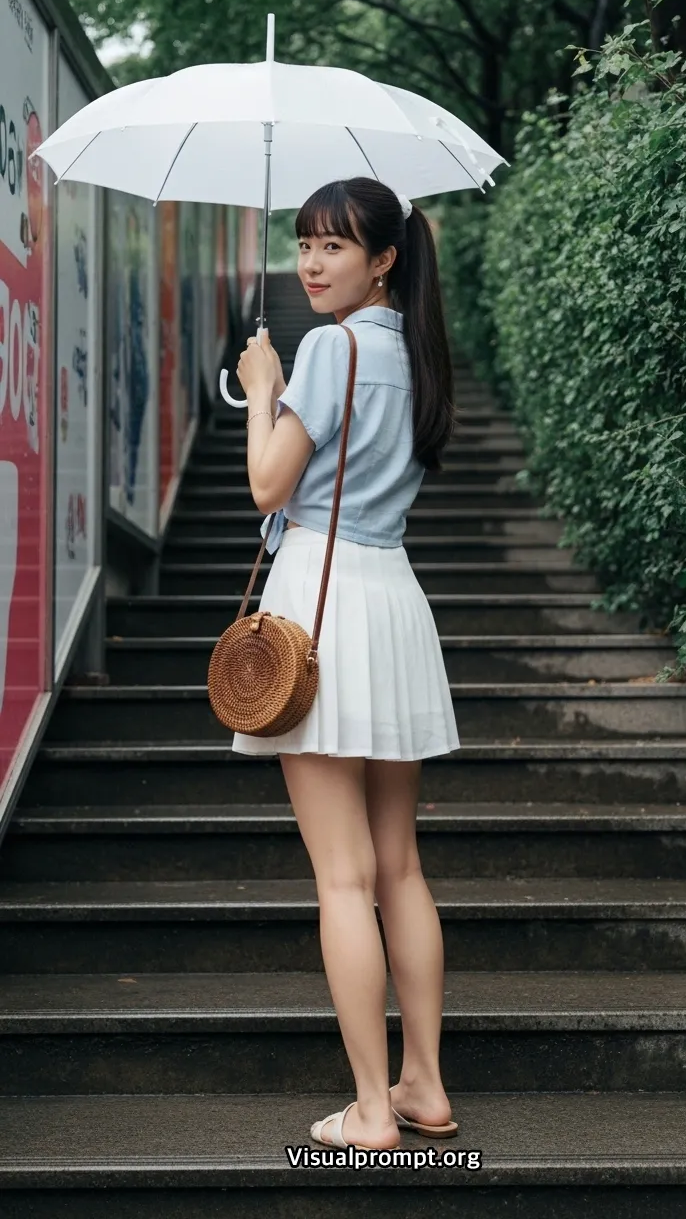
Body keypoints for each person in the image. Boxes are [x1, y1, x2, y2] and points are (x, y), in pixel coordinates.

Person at [232, 176, 461, 1152]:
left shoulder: (331, 349)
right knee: (398, 866)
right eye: (304, 244)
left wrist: (263, 391)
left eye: (334, 246)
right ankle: (424, 1085)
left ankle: (370, 1108)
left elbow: (266, 485)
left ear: (384, 258)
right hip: (392, 597)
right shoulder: (417, 351)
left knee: (342, 876)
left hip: (321, 599)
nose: (312, 264)